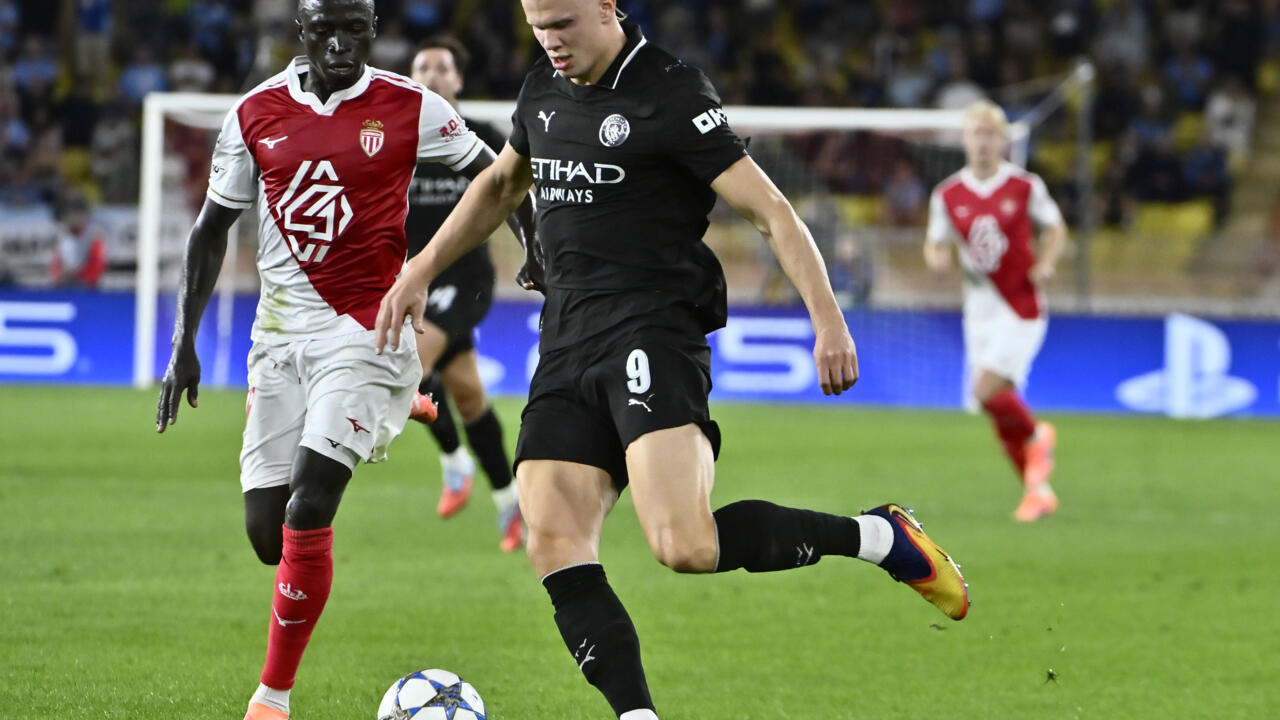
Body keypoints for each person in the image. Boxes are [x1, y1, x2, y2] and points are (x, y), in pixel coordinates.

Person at [375, 2, 969, 718]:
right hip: (565, 339)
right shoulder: (542, 90)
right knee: (554, 539)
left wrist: (828, 319)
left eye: (563, 24)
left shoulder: (670, 91)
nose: (550, 41)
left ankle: (878, 536)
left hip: (652, 331)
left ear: (606, 7)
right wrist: (419, 269)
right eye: (537, 27)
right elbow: (502, 186)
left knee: (684, 544)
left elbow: (771, 211)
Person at [152, 1, 536, 719]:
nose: (339, 43)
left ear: (373, 32)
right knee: (267, 536)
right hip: (279, 338)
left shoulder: (410, 106)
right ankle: (400, 405)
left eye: (354, 29)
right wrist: (184, 342)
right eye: (324, 29)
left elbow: (499, 177)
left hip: (370, 331)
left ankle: (272, 697)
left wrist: (536, 248)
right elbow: (209, 231)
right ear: (301, 32)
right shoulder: (253, 114)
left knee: (309, 501)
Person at [403, 36, 523, 552]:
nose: (432, 74)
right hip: (413, 280)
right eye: (422, 67)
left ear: (458, 79)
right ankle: (510, 501)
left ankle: (454, 462)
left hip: (465, 278)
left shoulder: (480, 137)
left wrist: (536, 252)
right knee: (468, 393)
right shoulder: (396, 140)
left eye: (442, 67)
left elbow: (516, 195)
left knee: (408, 362)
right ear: (411, 78)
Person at [924, 99, 1066, 523]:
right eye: (976, 134)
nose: (983, 142)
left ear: (1003, 140)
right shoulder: (948, 194)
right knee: (991, 405)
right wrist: (936, 257)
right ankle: (1037, 491)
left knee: (986, 390)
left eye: (990, 134)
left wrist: (1046, 262)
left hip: (1020, 304)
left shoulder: (1024, 185)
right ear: (964, 140)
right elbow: (934, 241)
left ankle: (1039, 435)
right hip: (979, 310)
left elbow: (1055, 227)